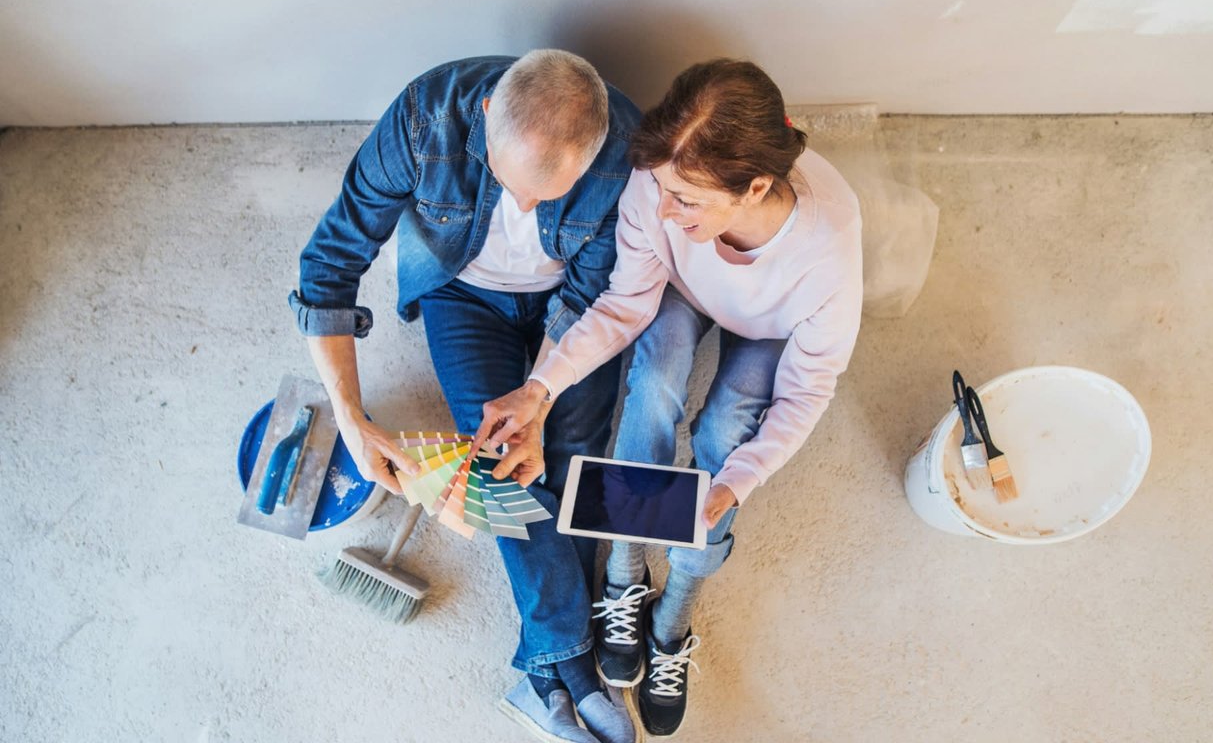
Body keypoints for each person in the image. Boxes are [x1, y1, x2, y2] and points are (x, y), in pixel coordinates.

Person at [475, 59, 864, 737]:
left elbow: (806, 391)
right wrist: (541, 387)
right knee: (653, 383)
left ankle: (674, 612)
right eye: (661, 188)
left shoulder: (827, 252)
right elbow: (625, 304)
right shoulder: (659, 183)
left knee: (725, 440)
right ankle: (624, 569)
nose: (662, 209)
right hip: (681, 289)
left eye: (686, 199)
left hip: (771, 325)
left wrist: (737, 482)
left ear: (757, 189)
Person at [290, 51, 640, 743]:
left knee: (574, 460)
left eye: (550, 195)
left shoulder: (625, 151)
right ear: (484, 120)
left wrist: (540, 395)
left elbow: (590, 290)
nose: (529, 208)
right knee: (499, 468)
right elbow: (326, 269)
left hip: (570, 307)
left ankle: (551, 676)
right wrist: (354, 421)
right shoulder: (425, 119)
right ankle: (566, 668)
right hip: (461, 294)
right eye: (516, 185)